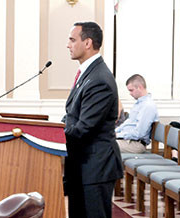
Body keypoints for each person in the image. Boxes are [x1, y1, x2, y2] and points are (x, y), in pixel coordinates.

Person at [63, 21, 123, 218]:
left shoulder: (99, 79)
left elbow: (84, 128)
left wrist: (53, 133)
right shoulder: (87, 73)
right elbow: (72, 114)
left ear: (87, 43)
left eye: (72, 40)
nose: (68, 45)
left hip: (96, 166)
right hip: (82, 164)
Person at [115, 74, 159, 153]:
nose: (130, 93)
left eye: (131, 90)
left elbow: (139, 133)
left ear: (140, 87)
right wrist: (115, 131)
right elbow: (128, 123)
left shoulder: (148, 106)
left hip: (136, 144)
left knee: (102, 145)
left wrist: (118, 135)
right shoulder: (139, 104)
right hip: (128, 141)